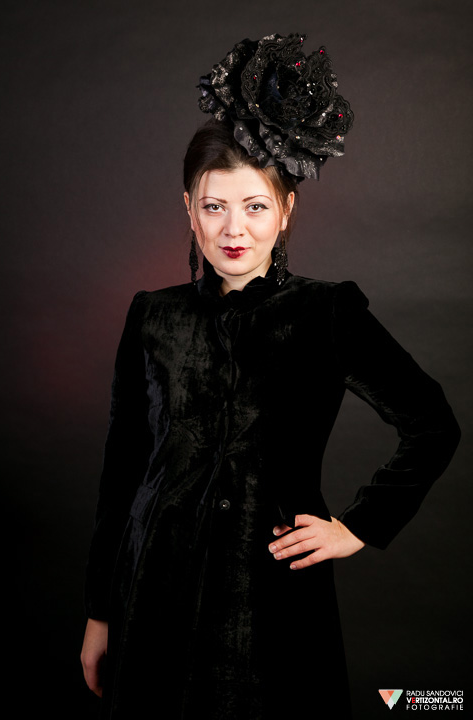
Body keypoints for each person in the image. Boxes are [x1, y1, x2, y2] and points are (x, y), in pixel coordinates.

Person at [80, 34, 460, 719]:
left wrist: (358, 526)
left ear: (285, 212)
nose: (235, 229)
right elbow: (123, 467)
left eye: (255, 206)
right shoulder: (152, 315)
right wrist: (100, 613)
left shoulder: (327, 312)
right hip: (154, 591)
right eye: (214, 206)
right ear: (188, 209)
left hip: (270, 601)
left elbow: (432, 424)